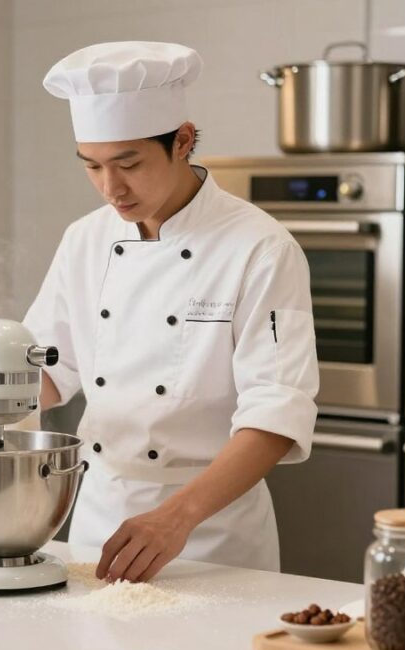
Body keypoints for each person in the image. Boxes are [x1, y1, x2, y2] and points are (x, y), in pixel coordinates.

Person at [24, 41, 318, 583]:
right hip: (100, 526)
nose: (111, 188)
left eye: (128, 163)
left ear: (182, 141)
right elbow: (43, 370)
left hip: (213, 534)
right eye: (92, 166)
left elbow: (276, 414)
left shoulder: (260, 248)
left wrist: (175, 518)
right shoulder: (84, 240)